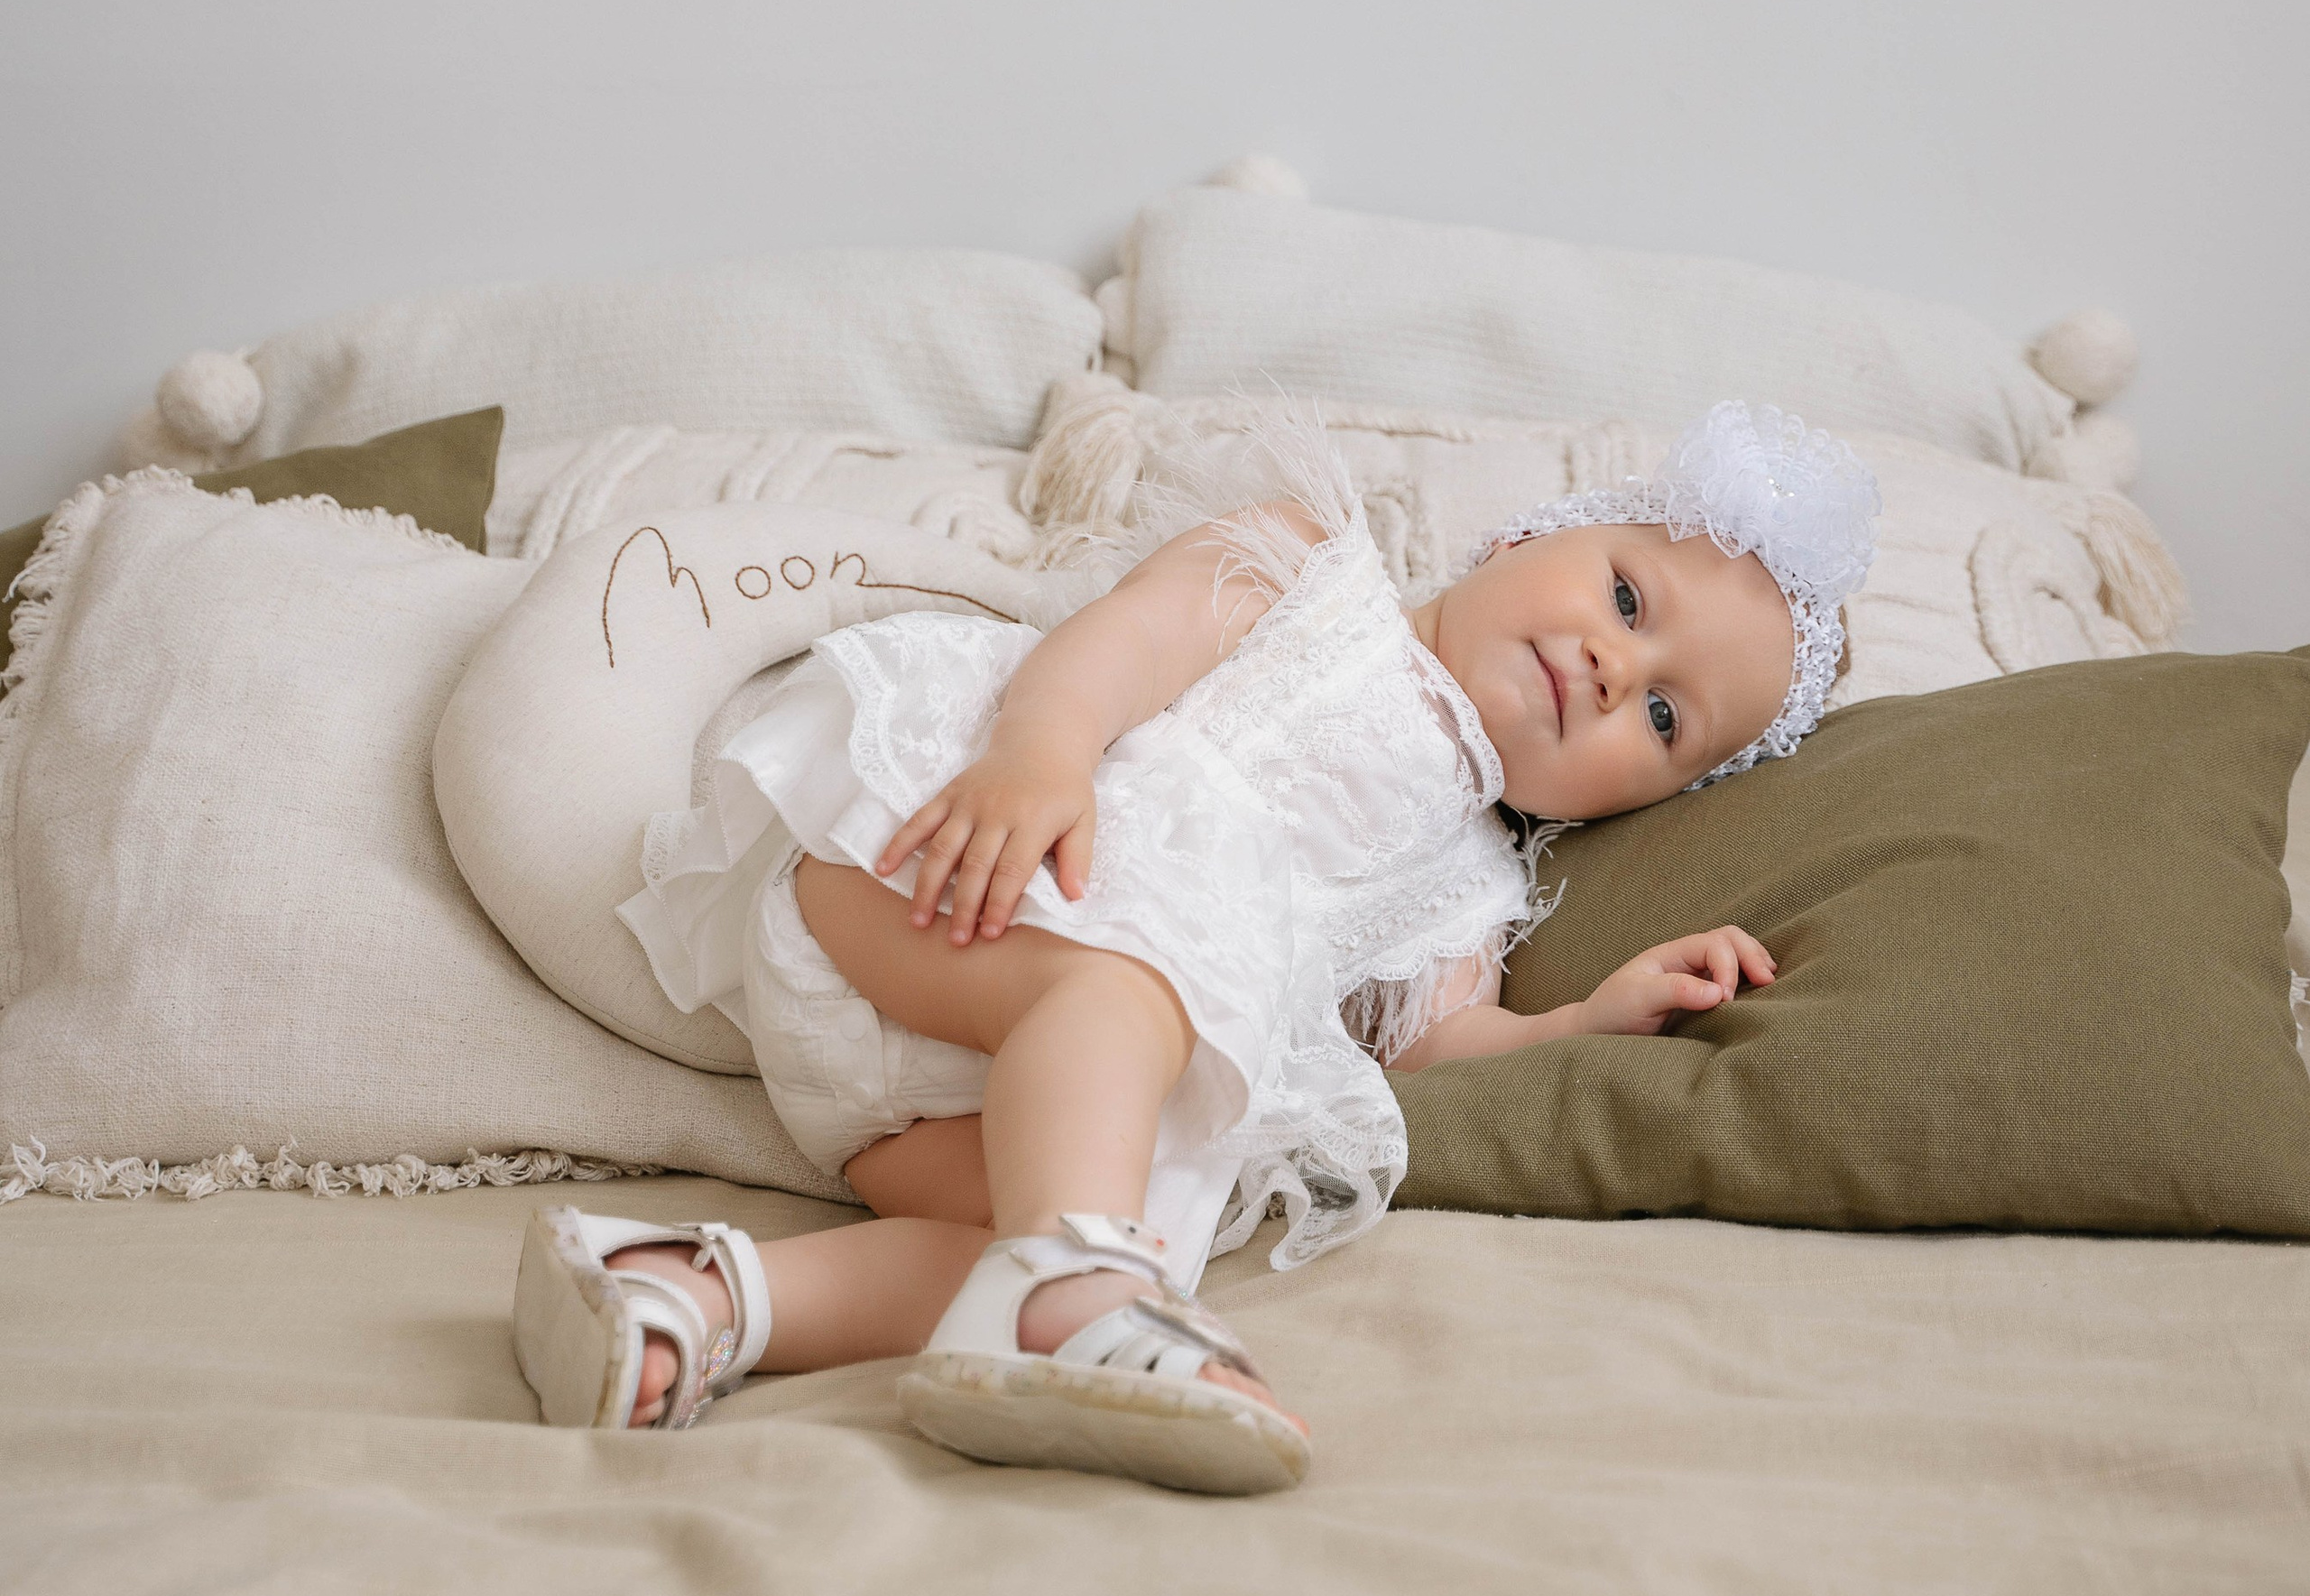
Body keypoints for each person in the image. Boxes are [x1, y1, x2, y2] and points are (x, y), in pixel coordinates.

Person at [510, 401, 1878, 1495]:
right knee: (1132, 988)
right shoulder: (1307, 574)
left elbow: (1446, 1047)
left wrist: (1584, 1025)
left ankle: (694, 1297)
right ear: (1527, 538)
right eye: (1629, 602)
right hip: (952, 886)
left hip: (968, 1107)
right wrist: (1043, 754)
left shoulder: (1464, 886)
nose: (1610, 672)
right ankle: (1072, 1293)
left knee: (1126, 1227)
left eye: (1662, 723)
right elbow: (1117, 646)